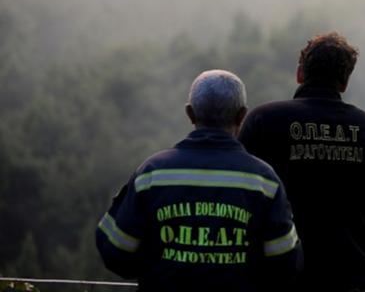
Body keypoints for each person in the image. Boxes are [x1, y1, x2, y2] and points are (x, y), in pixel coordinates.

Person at [96, 70, 299, 291]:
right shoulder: (264, 181)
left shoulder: (152, 174)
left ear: (190, 113)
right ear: (242, 115)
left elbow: (115, 252)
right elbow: (286, 265)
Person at [239, 32, 365, 292]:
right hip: (352, 279)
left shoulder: (263, 121)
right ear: (345, 83)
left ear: (300, 73)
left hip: (279, 280)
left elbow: (238, 202)